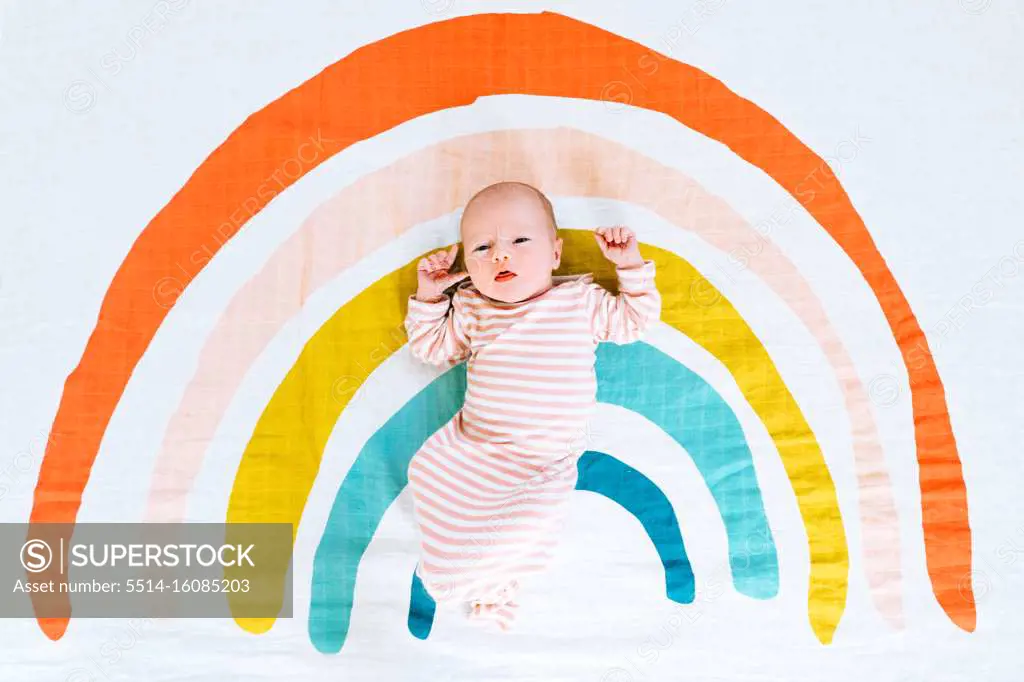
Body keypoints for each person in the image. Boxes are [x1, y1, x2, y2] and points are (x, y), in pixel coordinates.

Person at [403, 181, 661, 631]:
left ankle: (498, 585)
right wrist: (429, 297)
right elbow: (429, 347)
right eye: (481, 247)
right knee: (431, 479)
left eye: (520, 240)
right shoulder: (472, 308)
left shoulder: (578, 302)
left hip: (544, 461)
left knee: (523, 528)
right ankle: (469, 575)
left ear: (556, 254)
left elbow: (633, 321)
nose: (500, 255)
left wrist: (630, 267)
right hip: (480, 451)